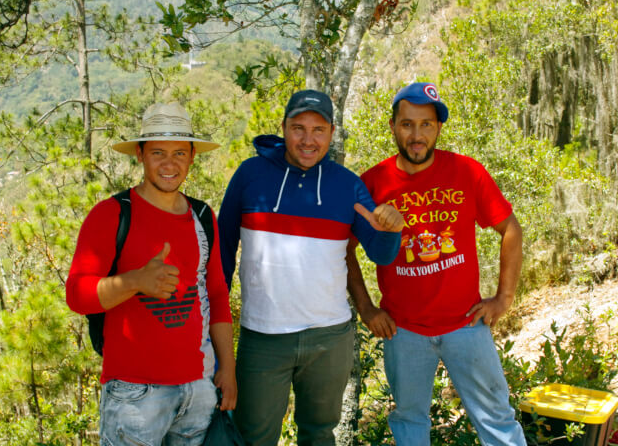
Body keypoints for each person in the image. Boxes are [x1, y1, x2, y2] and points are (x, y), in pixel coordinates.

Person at [218, 89, 404, 446]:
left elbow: (381, 254)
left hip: (329, 338)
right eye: (298, 128)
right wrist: (212, 327)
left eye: (318, 130)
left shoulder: (348, 185)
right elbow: (223, 253)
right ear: (283, 128)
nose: (308, 140)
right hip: (263, 337)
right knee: (252, 437)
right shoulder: (250, 175)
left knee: (319, 436)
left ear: (332, 132)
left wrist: (391, 230)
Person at [346, 82, 526, 446]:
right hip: (404, 331)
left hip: (466, 325)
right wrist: (366, 308)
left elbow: (510, 229)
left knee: (497, 420)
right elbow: (344, 249)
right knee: (409, 421)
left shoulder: (466, 172)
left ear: (438, 127)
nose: (417, 135)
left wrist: (503, 298)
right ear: (393, 126)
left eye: (426, 124)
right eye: (407, 124)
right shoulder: (373, 183)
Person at [66, 102, 236, 446]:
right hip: (134, 393)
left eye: (179, 153)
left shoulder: (202, 216)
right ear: (140, 155)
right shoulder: (111, 215)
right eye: (158, 153)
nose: (169, 164)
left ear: (192, 157)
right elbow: (77, 296)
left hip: (199, 388)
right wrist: (135, 281)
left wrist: (228, 370)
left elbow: (217, 294)